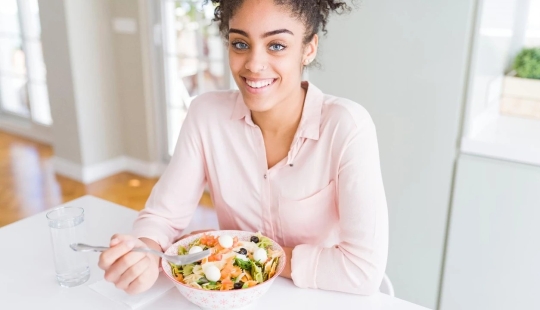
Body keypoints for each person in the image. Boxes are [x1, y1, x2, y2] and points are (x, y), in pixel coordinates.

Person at [98, 0, 388, 296]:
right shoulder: (206, 116)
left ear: (308, 48)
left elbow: (363, 269)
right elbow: (162, 218)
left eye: (276, 45)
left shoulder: (347, 127)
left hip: (324, 296)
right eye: (240, 43)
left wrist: (243, 250)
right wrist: (146, 252)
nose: (253, 63)